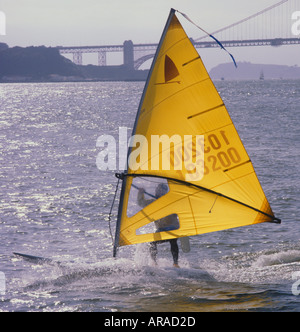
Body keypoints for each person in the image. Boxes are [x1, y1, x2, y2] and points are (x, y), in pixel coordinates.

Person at [137, 183, 180, 268]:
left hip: (173, 228)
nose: (158, 191)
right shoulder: (153, 202)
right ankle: (155, 263)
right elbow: (141, 203)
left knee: (173, 241)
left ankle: (175, 263)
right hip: (161, 229)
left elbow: (181, 208)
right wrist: (140, 193)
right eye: (157, 190)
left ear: (165, 192)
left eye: (161, 190)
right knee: (152, 243)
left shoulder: (170, 201)